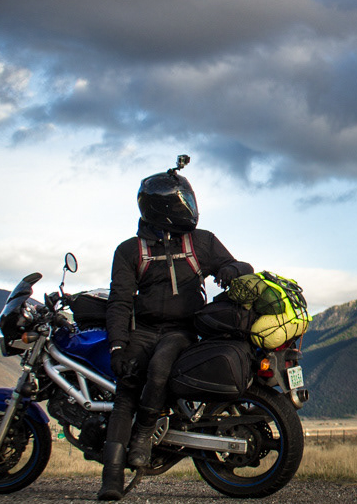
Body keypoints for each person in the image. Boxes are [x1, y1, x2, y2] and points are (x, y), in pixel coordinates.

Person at [98, 156, 252, 501]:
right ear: (162, 208)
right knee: (126, 389)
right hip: (142, 330)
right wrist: (117, 347)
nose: (189, 208)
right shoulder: (130, 250)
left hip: (181, 332)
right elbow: (119, 301)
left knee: (159, 368)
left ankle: (144, 434)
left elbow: (240, 266)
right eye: (182, 202)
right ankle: (111, 480)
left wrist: (232, 270)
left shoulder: (201, 242)